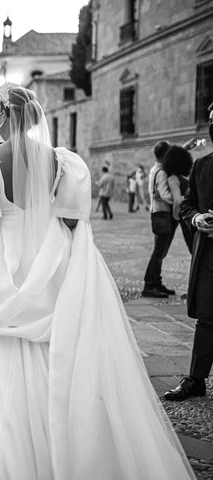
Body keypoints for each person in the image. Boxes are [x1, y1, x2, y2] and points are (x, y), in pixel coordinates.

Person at [0, 86, 195, 480]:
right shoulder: (63, 162)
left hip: (4, 269)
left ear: (6, 115)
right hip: (50, 263)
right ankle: (59, 434)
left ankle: (12, 452)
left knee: (4, 352)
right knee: (56, 348)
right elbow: (74, 222)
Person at [164, 105, 213, 401]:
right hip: (209, 252)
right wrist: (196, 219)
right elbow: (187, 204)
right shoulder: (202, 166)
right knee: (207, 316)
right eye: (211, 120)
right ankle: (196, 379)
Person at [142, 141, 177, 298]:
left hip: (156, 212)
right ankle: (149, 284)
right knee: (159, 251)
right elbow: (165, 195)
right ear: (164, 155)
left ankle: (156, 282)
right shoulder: (161, 173)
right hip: (162, 213)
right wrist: (179, 199)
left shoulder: (154, 169)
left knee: (160, 250)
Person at [163, 146, 195, 253]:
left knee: (193, 248)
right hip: (199, 212)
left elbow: (178, 201)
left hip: (186, 216)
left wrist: (175, 215)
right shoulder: (191, 175)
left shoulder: (173, 178)